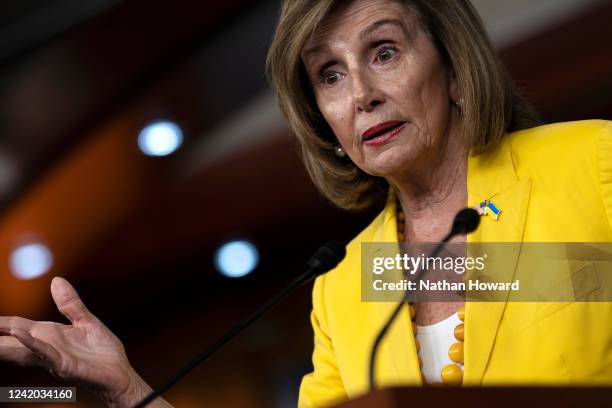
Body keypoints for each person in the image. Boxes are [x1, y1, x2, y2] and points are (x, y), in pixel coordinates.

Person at [1, 0, 611, 407]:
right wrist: (132, 389)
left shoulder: (595, 166)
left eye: (384, 52)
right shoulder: (344, 286)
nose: (363, 96)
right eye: (330, 75)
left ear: (453, 68)